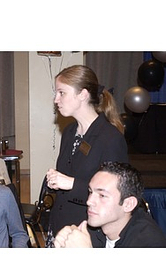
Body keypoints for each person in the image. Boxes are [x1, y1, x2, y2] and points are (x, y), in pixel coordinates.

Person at [46, 65, 128, 244]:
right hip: (61, 226)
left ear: (82, 94)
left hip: (87, 233)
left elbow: (115, 196)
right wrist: (56, 180)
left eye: (62, 93)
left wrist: (70, 184)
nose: (56, 99)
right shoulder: (69, 132)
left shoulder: (110, 138)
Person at [54, 161, 166, 248]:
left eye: (102, 195)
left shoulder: (148, 243)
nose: (89, 201)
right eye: (90, 191)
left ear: (128, 204)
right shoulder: (96, 229)